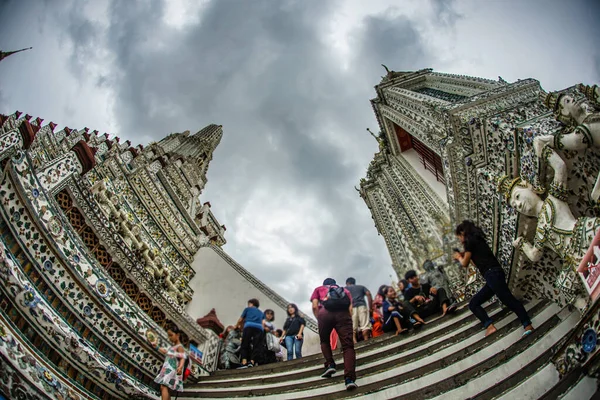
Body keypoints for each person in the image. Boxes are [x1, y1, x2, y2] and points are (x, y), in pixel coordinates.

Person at [454, 220, 534, 337]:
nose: (460, 240)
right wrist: (466, 256)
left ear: (463, 233)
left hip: (492, 274)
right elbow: (476, 264)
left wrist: (459, 257)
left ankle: (527, 325)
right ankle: (489, 326)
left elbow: (464, 263)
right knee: (474, 304)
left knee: (508, 299)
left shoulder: (469, 242)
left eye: (459, 237)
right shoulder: (477, 240)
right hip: (492, 274)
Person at [311, 278, 357, 391]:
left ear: (324, 284)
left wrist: (320, 318)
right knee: (348, 347)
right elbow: (351, 307)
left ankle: (330, 364)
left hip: (324, 314)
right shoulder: (344, 290)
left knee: (324, 340)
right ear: (335, 283)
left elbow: (314, 306)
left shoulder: (318, 289)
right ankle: (349, 379)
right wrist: (348, 320)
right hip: (343, 315)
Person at [154, 325, 188, 400]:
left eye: (171, 335)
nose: (170, 338)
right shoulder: (174, 346)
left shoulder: (179, 346)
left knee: (164, 386)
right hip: (167, 368)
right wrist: (156, 346)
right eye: (168, 336)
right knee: (165, 388)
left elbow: (183, 357)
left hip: (172, 369)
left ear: (177, 335)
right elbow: (165, 351)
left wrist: (180, 366)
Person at [235, 298, 264, 368]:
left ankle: (244, 362)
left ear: (251, 304)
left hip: (249, 326)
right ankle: (252, 361)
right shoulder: (261, 312)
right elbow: (263, 323)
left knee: (245, 343)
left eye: (249, 304)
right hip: (259, 328)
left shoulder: (247, 309)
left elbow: (241, 319)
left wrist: (236, 326)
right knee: (256, 345)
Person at [345, 277, 373, 343]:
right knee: (365, 326)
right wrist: (370, 307)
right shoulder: (361, 287)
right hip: (362, 306)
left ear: (347, 283)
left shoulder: (345, 289)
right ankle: (366, 341)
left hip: (351, 308)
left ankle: (355, 343)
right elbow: (368, 294)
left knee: (352, 327)